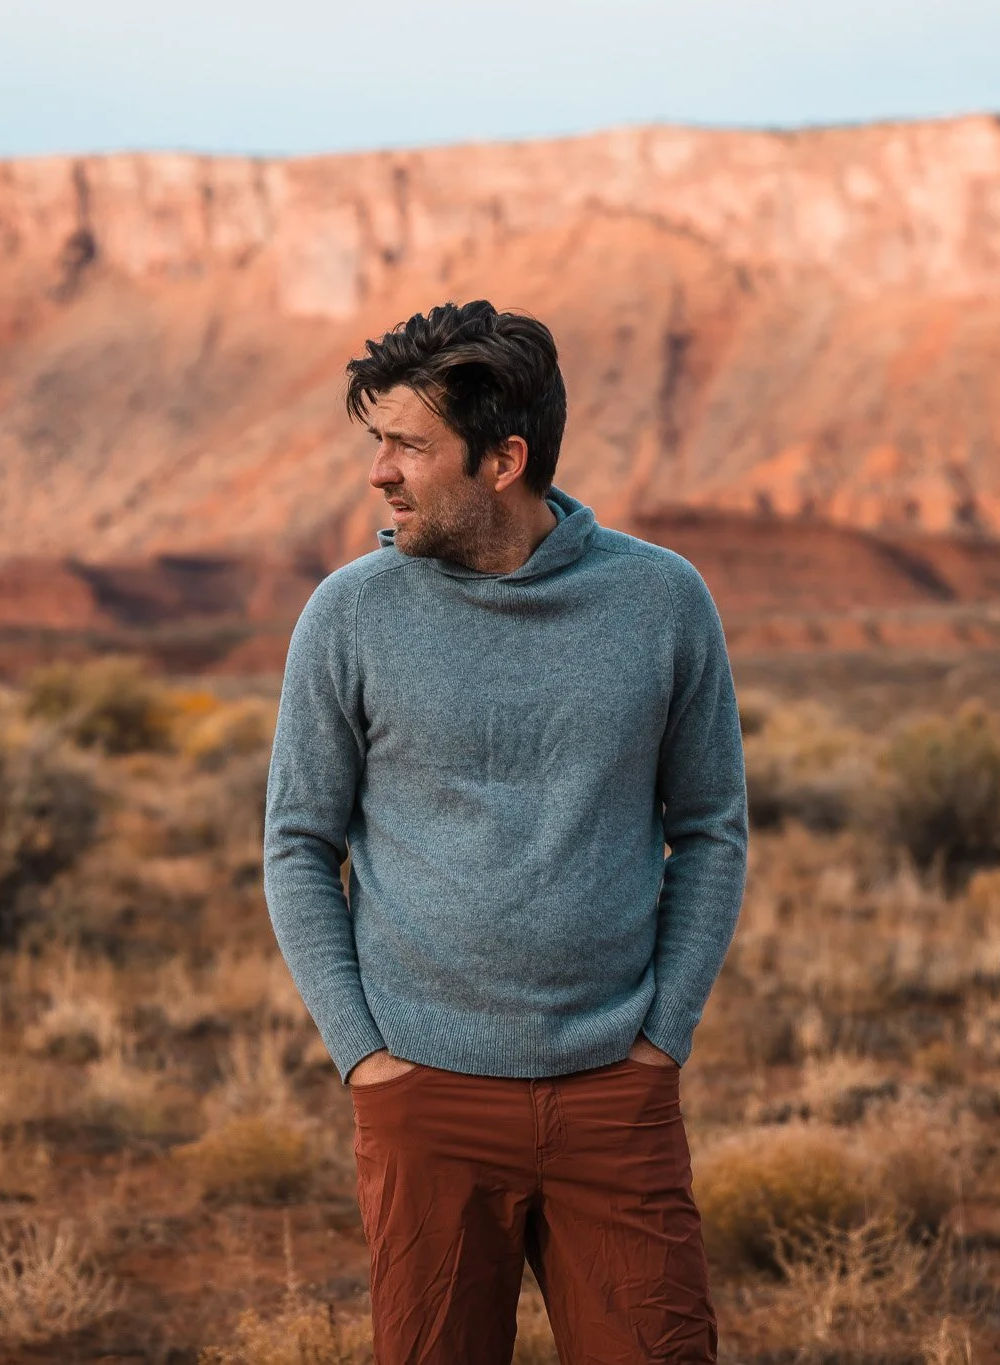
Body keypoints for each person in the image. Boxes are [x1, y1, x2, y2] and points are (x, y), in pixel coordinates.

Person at [262, 299, 749, 1363]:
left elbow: (711, 828)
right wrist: (364, 1058)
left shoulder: (660, 601)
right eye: (375, 442)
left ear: (502, 459)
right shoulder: (348, 615)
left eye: (406, 446)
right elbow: (297, 841)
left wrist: (660, 1038)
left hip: (612, 1095)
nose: (379, 474)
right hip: (421, 1100)